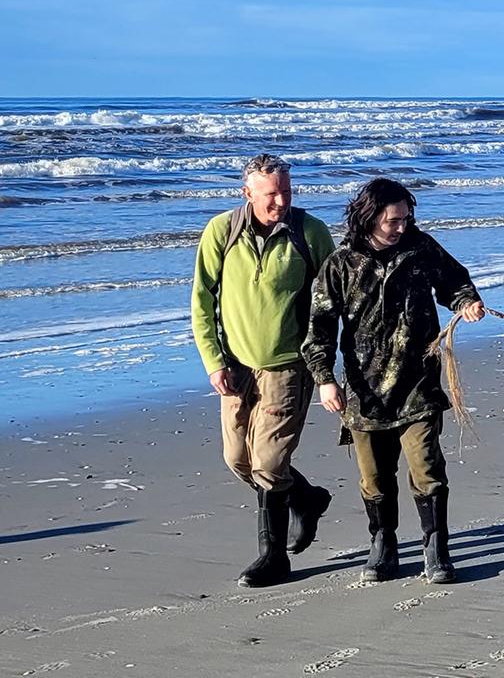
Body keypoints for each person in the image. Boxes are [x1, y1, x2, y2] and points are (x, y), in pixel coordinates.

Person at [302, 178, 484, 584]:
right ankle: (382, 543)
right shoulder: (340, 264)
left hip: (419, 383)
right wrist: (324, 380)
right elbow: (319, 328)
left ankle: (436, 548)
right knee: (374, 477)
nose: (402, 226)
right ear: (369, 217)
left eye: (406, 218)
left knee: (427, 466)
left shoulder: (421, 249)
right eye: (393, 220)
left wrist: (466, 301)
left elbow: (454, 281)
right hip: (364, 391)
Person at [189, 153, 337, 588]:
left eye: (286, 191)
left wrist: (325, 369)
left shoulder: (310, 232)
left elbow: (333, 301)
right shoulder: (221, 231)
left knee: (269, 463)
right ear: (247, 193)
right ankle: (307, 498)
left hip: (288, 366)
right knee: (238, 460)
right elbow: (202, 301)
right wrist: (214, 361)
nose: (281, 201)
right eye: (271, 193)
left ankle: (273, 558)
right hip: (235, 367)